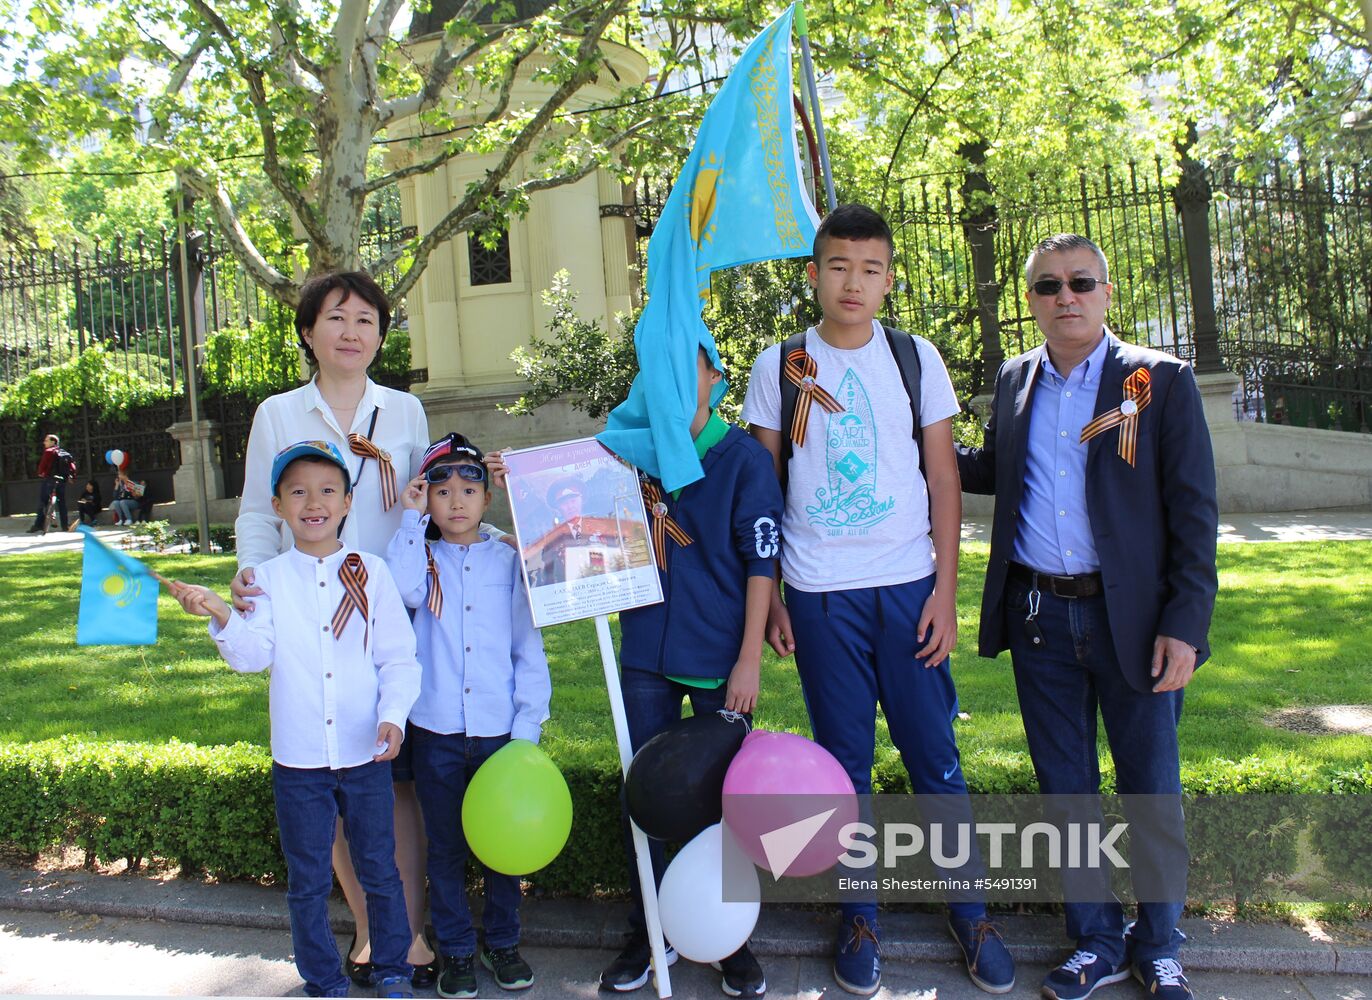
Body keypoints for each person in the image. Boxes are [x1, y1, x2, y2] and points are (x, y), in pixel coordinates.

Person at [741, 204, 1015, 997]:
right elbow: (764, 491)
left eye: (869, 269)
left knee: (935, 760)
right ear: (814, 274)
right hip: (821, 596)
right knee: (843, 767)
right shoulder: (781, 364)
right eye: (837, 266)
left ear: (889, 279)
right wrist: (778, 600)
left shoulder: (913, 357)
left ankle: (971, 913)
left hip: (907, 590)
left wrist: (945, 592)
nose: (852, 282)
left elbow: (943, 478)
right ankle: (858, 915)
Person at [956, 233, 1218, 1000]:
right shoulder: (1015, 379)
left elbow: (1194, 511)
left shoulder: (1157, 380)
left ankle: (1160, 942)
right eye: (1047, 286)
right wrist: (915, 432)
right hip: (1040, 614)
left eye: (1080, 282)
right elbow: (993, 468)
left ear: (1106, 292)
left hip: (1133, 622)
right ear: (1031, 300)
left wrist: (1186, 623)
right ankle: (1096, 941)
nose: (1064, 296)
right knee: (1065, 789)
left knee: (1149, 787)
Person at [231, 271, 438, 985]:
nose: (352, 331)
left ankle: (402, 932)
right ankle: (368, 930)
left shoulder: (405, 410)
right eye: (336, 318)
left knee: (389, 773)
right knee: (327, 765)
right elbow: (260, 512)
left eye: (367, 320)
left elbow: (429, 503)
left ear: (382, 335)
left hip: (390, 610)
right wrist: (254, 582)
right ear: (309, 332)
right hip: (310, 614)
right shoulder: (278, 413)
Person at [166, 440, 420, 999]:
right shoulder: (267, 580)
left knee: (379, 868)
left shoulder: (370, 573)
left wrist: (393, 716)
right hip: (299, 759)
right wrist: (219, 613)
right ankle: (323, 977)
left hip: (364, 753)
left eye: (328, 489)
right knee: (307, 879)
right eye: (297, 491)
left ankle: (395, 969)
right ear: (278, 505)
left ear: (348, 502)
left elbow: (398, 658)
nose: (314, 501)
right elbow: (254, 655)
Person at [594, 347, 781, 998]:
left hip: (718, 658)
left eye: (688, 367)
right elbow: (567, 501)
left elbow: (762, 564)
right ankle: (647, 928)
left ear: (714, 376)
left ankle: (731, 939)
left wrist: (749, 658)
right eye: (661, 372)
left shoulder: (744, 461)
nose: (675, 383)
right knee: (642, 795)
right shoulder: (631, 455)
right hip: (646, 648)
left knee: (723, 801)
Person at [385, 433, 550, 999]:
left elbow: (527, 645)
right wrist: (409, 520)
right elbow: (402, 590)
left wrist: (527, 729)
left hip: (499, 731)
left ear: (487, 498)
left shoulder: (510, 557)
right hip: (437, 731)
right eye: (442, 490)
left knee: (503, 847)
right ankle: (455, 949)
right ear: (425, 498)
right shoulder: (418, 555)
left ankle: (502, 941)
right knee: (448, 847)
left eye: (469, 489)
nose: (456, 501)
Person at [27, 434, 73, 533]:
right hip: (61, 481)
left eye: (46, 440)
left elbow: (42, 466)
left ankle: (38, 524)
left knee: (43, 501)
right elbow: (72, 466)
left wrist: (40, 473)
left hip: (49, 480)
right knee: (62, 503)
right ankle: (65, 526)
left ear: (53, 442)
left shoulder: (48, 452)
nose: (44, 442)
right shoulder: (64, 453)